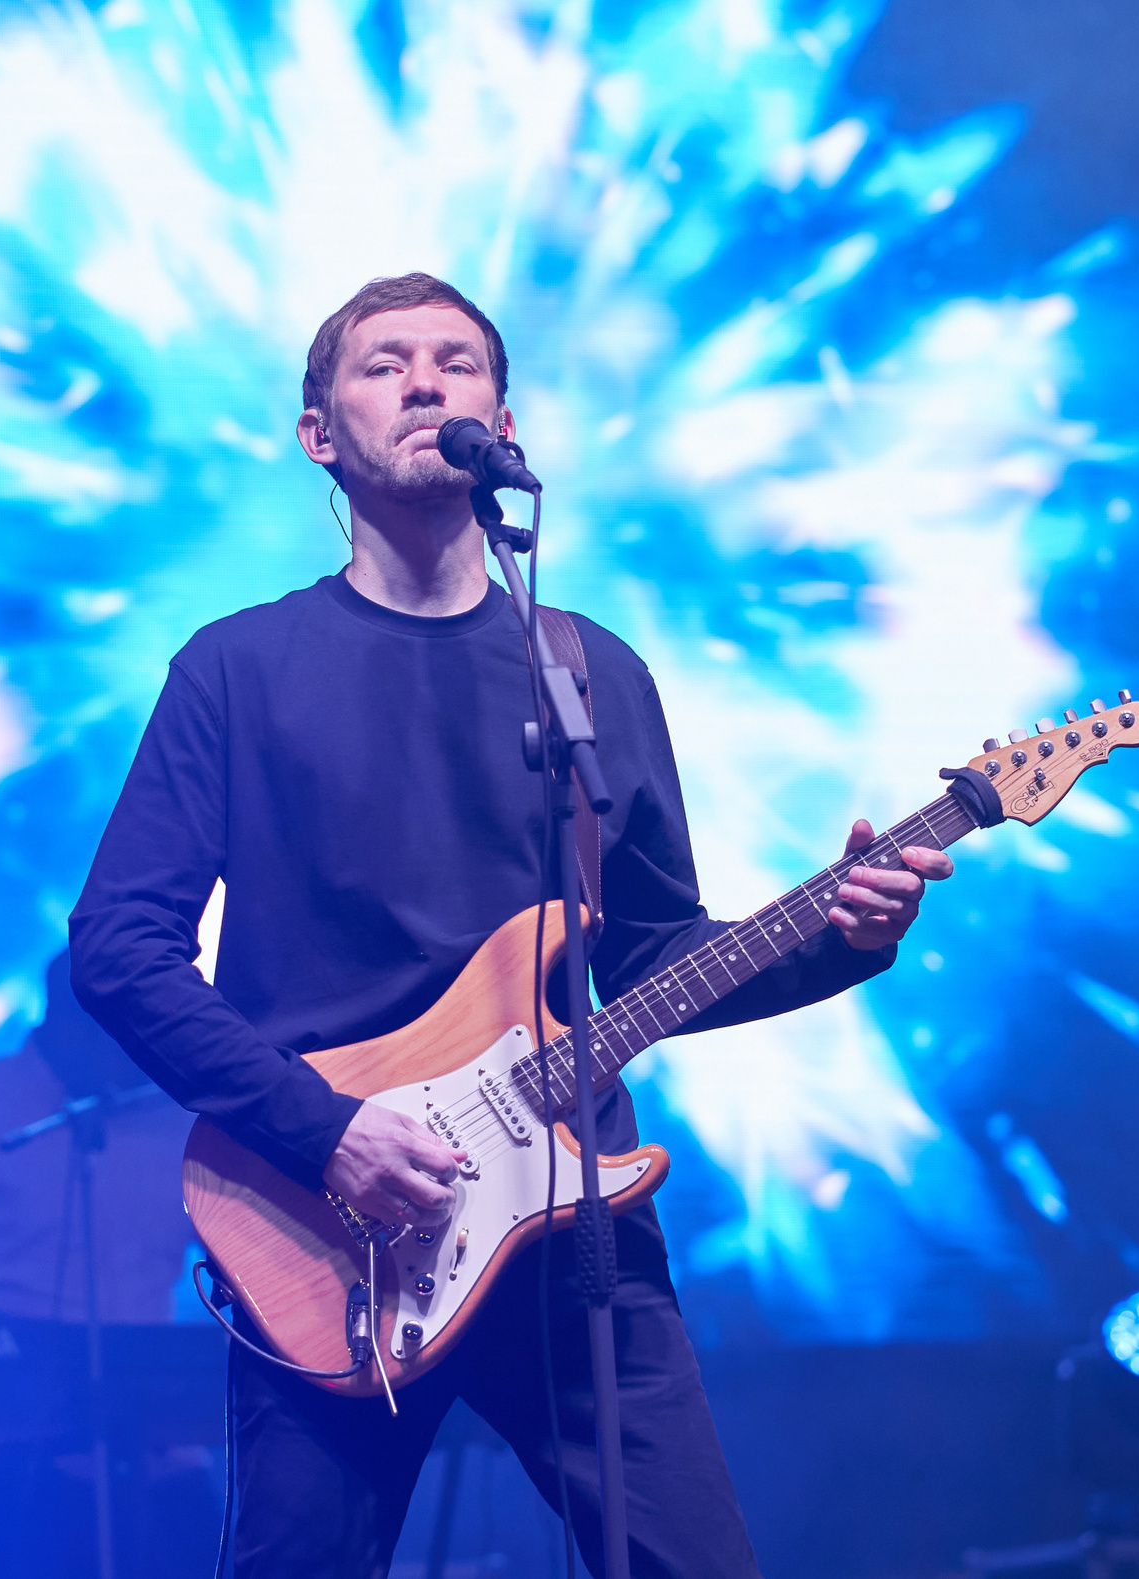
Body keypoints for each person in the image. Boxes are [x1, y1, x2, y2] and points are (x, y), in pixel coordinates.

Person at [67, 272, 948, 1579]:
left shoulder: (590, 672)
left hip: (567, 1216)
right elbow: (120, 946)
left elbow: (651, 952)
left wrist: (842, 935)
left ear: (505, 417)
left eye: (455, 362)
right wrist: (329, 1131)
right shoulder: (238, 667)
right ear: (320, 432)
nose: (425, 383)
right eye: (385, 364)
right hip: (330, 1224)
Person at [0, 951, 213, 1579]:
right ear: (69, 1023)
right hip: (12, 1442)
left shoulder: (178, 1125)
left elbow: (245, 1265)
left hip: (158, 1438)